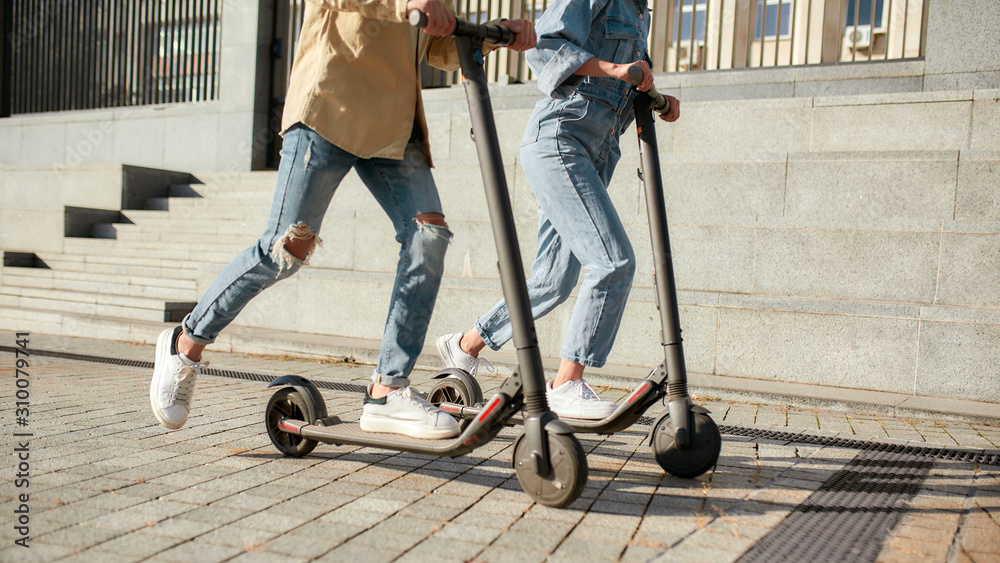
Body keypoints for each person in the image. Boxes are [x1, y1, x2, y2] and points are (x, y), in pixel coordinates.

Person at [150, 0, 535, 439]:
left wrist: (491, 34)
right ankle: (185, 343)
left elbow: (435, 43)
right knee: (284, 249)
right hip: (329, 105)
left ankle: (388, 389)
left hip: (393, 122)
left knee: (429, 236)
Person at [437, 0, 679, 419]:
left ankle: (464, 346)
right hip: (559, 140)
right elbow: (545, 45)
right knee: (613, 262)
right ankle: (566, 384)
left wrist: (656, 96)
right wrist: (616, 70)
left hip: (595, 153)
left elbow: (628, 78)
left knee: (552, 279)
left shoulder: (641, 14)